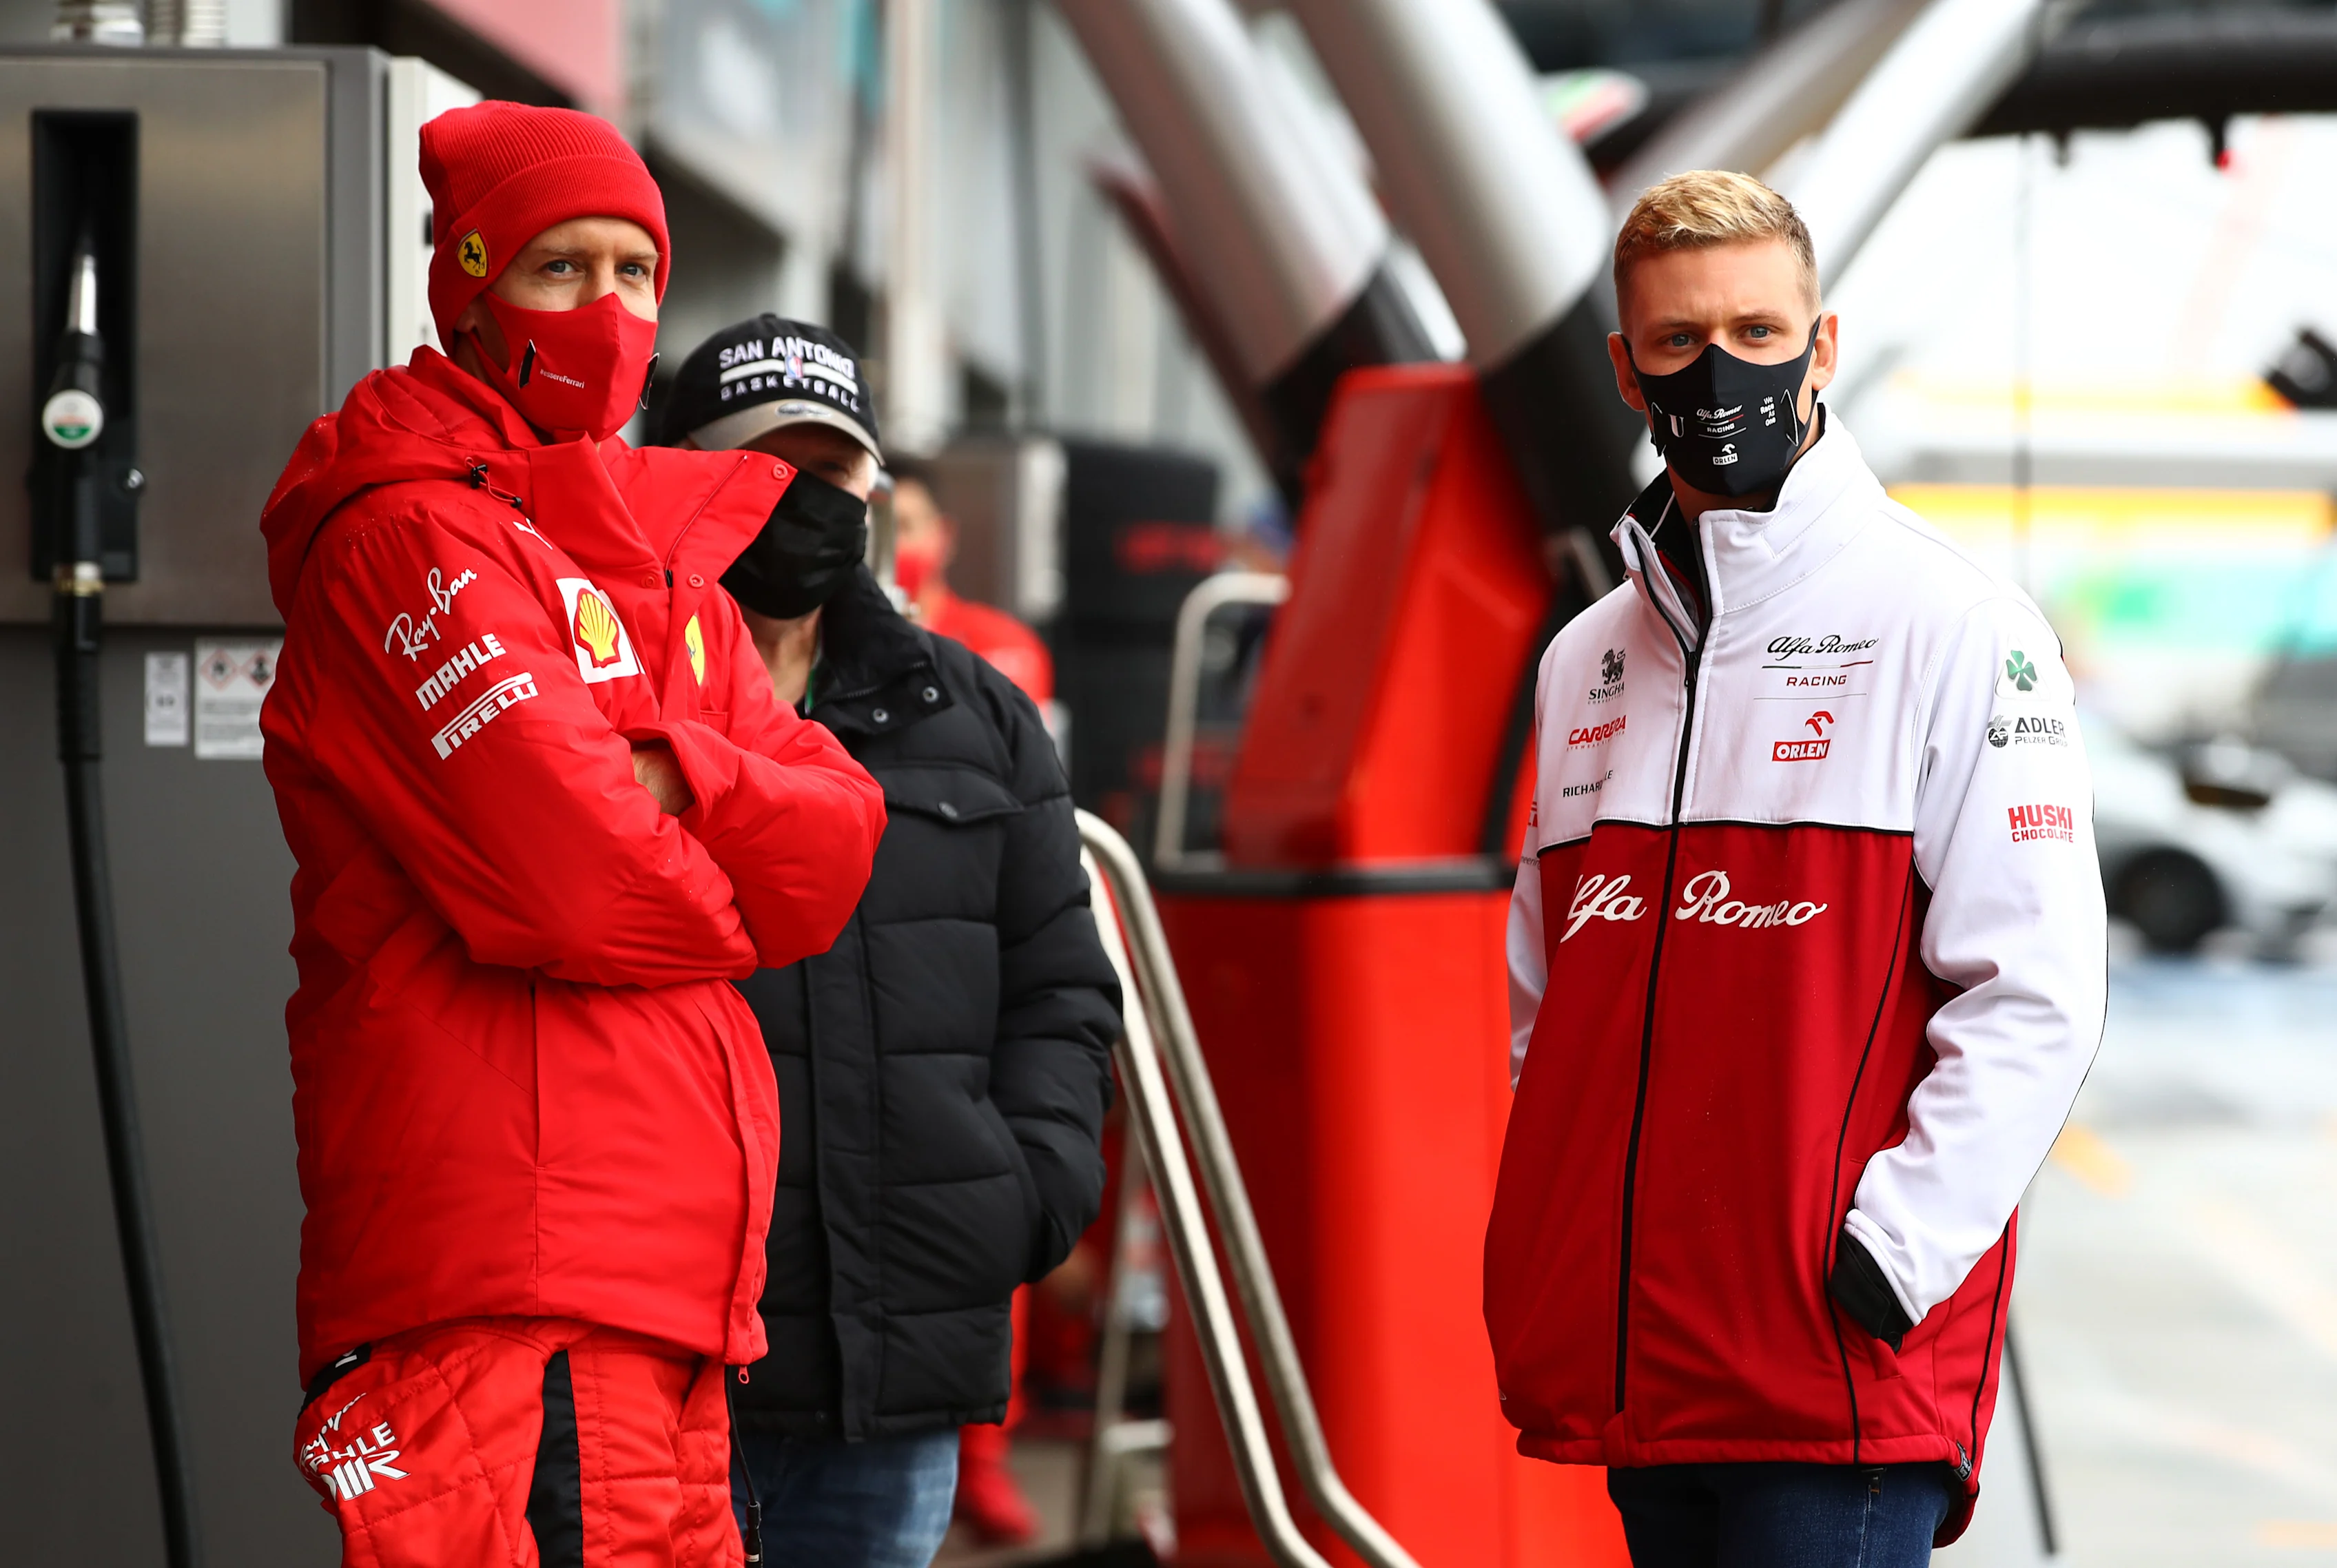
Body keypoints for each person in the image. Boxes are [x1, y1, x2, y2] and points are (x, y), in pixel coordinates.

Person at [258, 105, 886, 1567]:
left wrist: (677, 776)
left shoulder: (651, 563)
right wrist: (724, 843)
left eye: (636, 271)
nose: (609, 312)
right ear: (471, 290)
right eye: (559, 269)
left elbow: (837, 846)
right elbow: (585, 883)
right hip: (513, 1290)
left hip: (660, 1295)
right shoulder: (405, 535)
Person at [1483, 169, 2106, 1567]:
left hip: (1832, 1367)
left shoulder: (1952, 623)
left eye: (1760, 334)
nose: (1722, 371)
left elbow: (2038, 994)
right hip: (1641, 1351)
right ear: (1624, 367)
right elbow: (1549, 995)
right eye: (1677, 342)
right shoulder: (1586, 658)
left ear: (1821, 346)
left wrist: (1892, 1251)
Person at [657, 315, 1121, 1565]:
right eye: (762, 461)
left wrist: (1021, 1196)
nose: (802, 499)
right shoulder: (601, 702)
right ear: (674, 469)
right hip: (657, 1371)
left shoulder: (974, 716)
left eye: (835, 468)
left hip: (898, 1366)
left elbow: (1061, 991)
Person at [889, 462, 1055, 708]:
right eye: (876, 530)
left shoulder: (1001, 644)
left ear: (944, 536)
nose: (891, 544)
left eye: (904, 526)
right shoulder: (830, 645)